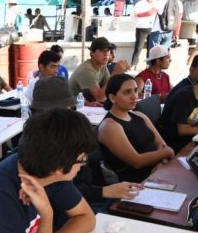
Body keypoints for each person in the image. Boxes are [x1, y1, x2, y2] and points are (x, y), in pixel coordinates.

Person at [29, 77, 141, 208]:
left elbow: (81, 182)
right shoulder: (35, 145)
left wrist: (105, 191)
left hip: (90, 196)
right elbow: (55, 191)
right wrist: (105, 191)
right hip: (81, 202)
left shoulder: (76, 132)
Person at [97, 74, 174, 182]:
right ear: (112, 98)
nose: (134, 96)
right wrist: (167, 152)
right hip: (135, 182)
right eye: (127, 92)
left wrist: (162, 162)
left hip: (157, 173)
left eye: (136, 90)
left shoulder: (140, 115)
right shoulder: (110, 126)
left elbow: (162, 145)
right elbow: (137, 162)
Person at [69, 37, 115, 106]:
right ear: (92, 52)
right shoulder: (86, 69)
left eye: (108, 50)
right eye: (102, 50)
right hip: (73, 107)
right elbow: (100, 98)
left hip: (86, 105)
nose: (106, 54)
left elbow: (110, 90)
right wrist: (115, 73)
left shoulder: (103, 67)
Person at [131, 0, 158, 68]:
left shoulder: (156, 4)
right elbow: (134, 15)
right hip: (141, 28)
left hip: (152, 28)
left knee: (151, 48)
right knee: (138, 47)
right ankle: (134, 64)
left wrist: (139, 15)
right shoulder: (140, 3)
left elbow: (150, 13)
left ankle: (148, 65)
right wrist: (139, 18)